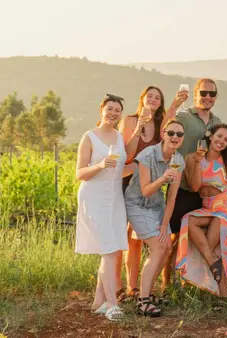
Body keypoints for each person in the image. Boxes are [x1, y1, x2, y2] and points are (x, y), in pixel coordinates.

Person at [176, 124, 227, 298]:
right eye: (219, 136)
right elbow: (194, 187)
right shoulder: (192, 158)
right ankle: (220, 286)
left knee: (212, 235)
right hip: (207, 207)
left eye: (226, 139)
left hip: (225, 207)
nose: (221, 141)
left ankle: (219, 289)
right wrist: (197, 164)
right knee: (188, 219)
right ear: (210, 136)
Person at [123, 119, 184, 317]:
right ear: (163, 135)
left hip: (157, 207)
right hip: (137, 204)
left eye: (179, 134)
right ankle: (143, 301)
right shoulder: (147, 155)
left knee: (166, 246)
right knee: (158, 247)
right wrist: (163, 178)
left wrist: (164, 226)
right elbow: (146, 190)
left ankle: (148, 292)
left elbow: (172, 197)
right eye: (171, 133)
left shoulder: (178, 160)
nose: (175, 137)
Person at [74, 94, 128, 321]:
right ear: (101, 110)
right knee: (108, 250)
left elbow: (119, 171)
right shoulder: (89, 137)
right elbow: (79, 174)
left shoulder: (119, 137)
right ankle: (113, 304)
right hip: (94, 197)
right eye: (110, 109)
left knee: (113, 249)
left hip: (114, 198)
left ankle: (99, 302)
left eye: (117, 110)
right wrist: (100, 164)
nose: (113, 113)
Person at [164, 78, 222, 287]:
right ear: (196, 94)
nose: (207, 97)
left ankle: (193, 281)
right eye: (204, 93)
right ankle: (167, 284)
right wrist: (174, 104)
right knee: (174, 237)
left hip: (203, 190)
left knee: (197, 238)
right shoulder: (183, 116)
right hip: (182, 187)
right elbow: (165, 129)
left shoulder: (217, 122)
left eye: (212, 94)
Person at [116, 85, 167, 303]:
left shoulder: (161, 124)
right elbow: (125, 156)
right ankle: (123, 287)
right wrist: (139, 128)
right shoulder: (129, 120)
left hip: (147, 186)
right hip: (126, 182)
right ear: (142, 99)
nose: (154, 99)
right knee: (124, 237)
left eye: (158, 97)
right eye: (150, 96)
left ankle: (141, 287)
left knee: (138, 237)